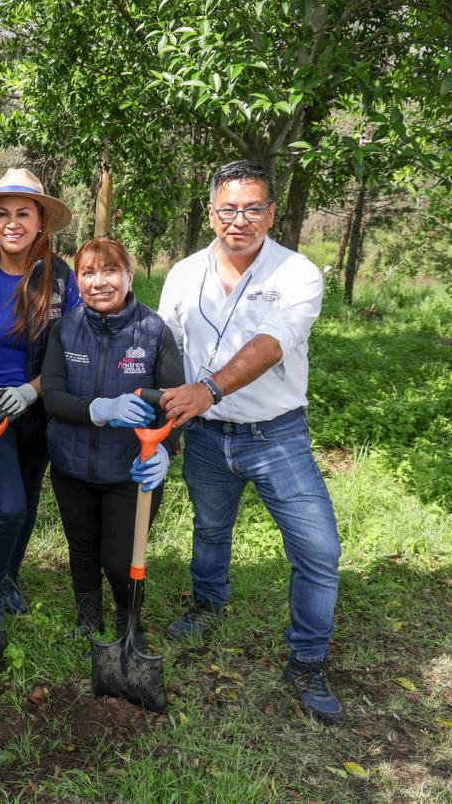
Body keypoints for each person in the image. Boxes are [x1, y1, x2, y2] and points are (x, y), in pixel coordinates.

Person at [158, 159, 344, 724]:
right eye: (228, 209)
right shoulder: (183, 273)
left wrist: (208, 389)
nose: (239, 220)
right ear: (209, 211)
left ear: (271, 213)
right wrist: (160, 420)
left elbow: (273, 341)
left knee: (319, 551)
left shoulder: (297, 273)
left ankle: (307, 659)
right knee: (210, 527)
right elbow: (166, 346)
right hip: (206, 435)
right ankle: (207, 605)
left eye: (253, 208)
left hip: (276, 434)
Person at [0, 167, 80, 631]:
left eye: (24, 213)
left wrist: (33, 390)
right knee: (7, 504)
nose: (12, 222)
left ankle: (8, 578)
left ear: (41, 221)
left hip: (37, 407)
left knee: (24, 497)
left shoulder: (62, 280)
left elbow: (69, 353)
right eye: (3, 213)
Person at [42, 237, 184, 641]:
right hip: (71, 467)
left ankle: (128, 623)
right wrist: (100, 409)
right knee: (82, 549)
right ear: (77, 281)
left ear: (129, 276)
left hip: (131, 472)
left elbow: (174, 403)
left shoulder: (154, 332)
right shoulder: (63, 330)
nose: (99, 282)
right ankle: (89, 620)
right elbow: (52, 397)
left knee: (120, 561)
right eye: (88, 273)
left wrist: (165, 448)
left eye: (109, 271)